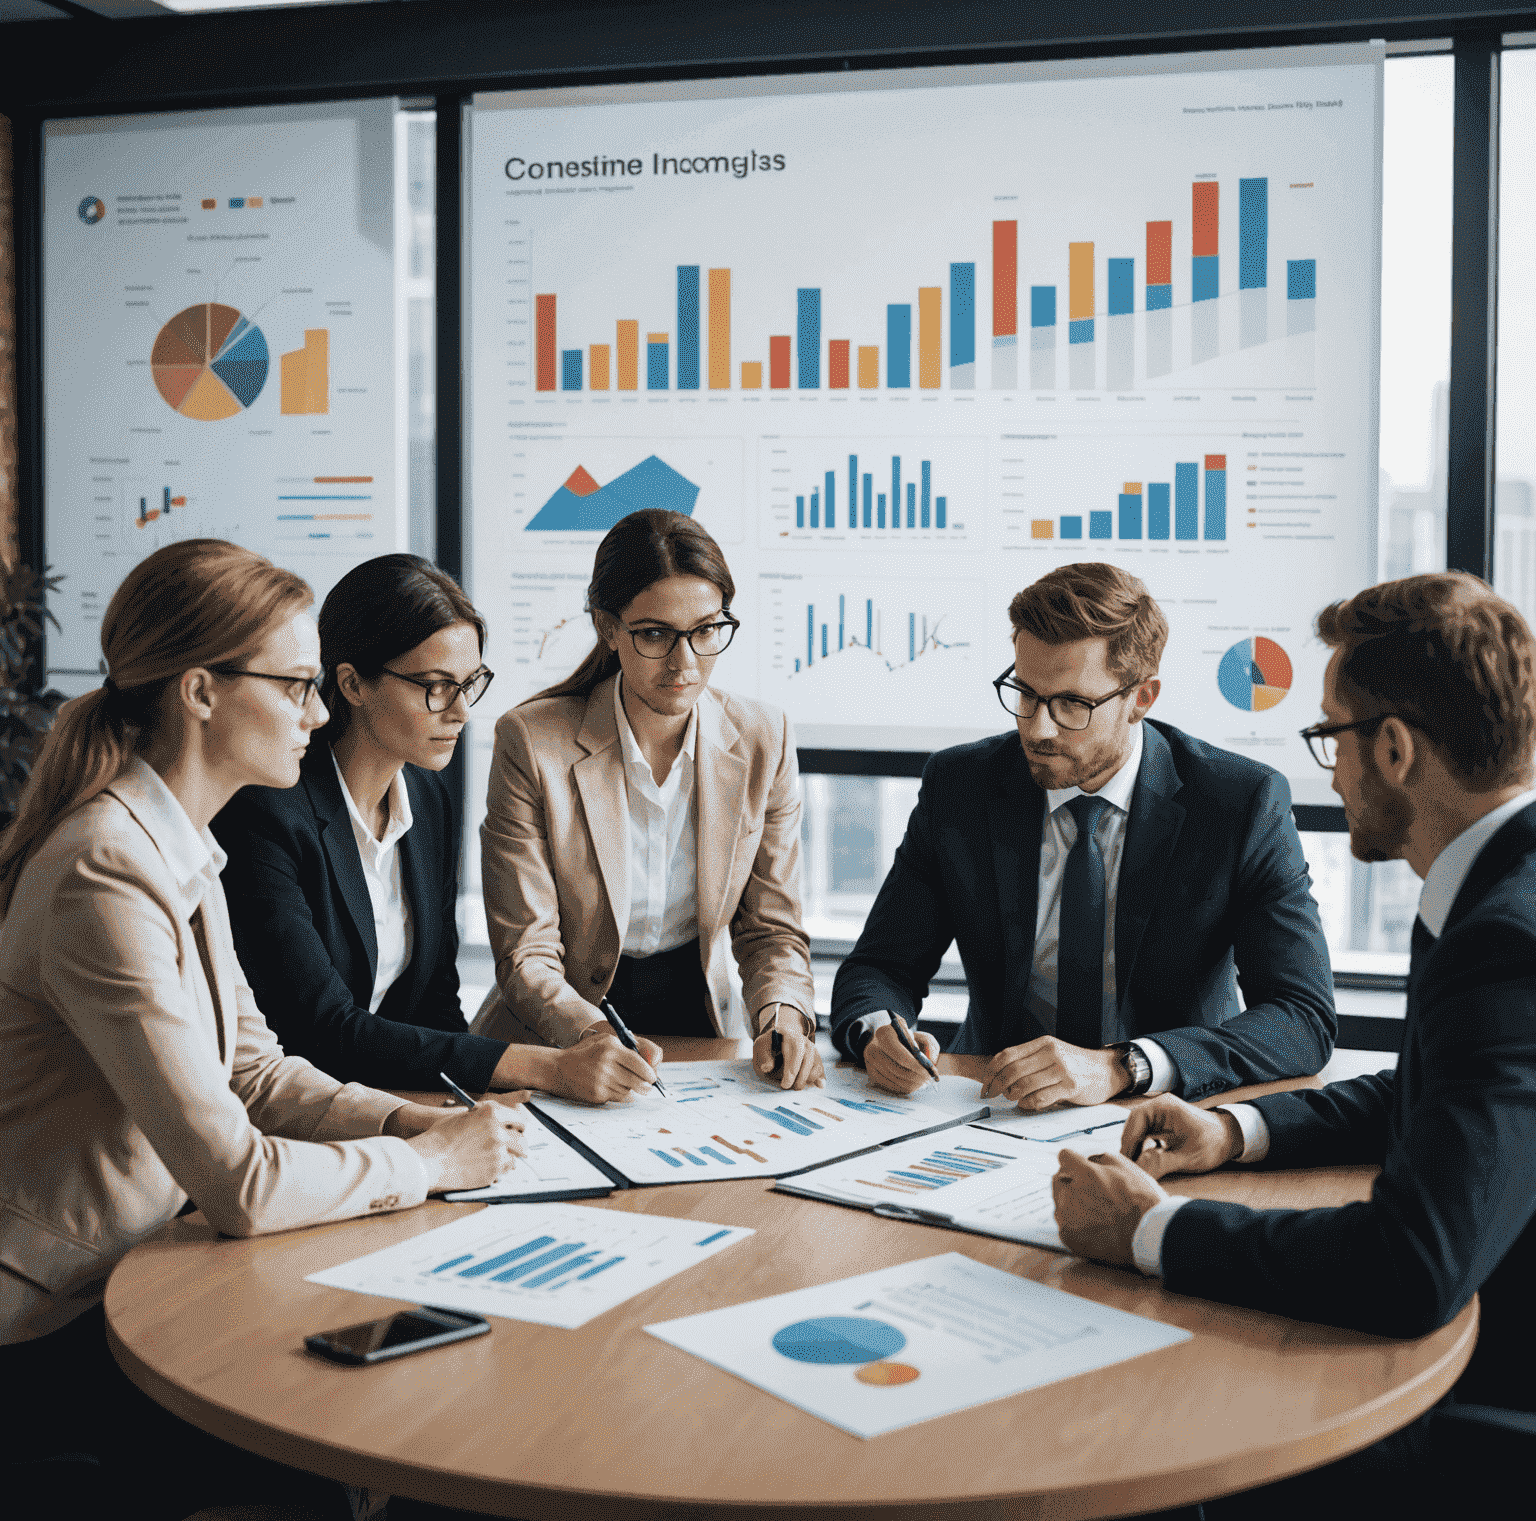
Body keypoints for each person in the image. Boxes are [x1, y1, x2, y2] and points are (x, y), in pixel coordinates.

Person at [0, 539, 523, 1521]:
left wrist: (405, 1126)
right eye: (293, 686)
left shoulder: (179, 843)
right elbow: (241, 1181)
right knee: (377, 1462)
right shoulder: (102, 871)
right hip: (56, 1326)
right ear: (201, 692)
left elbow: (260, 1071)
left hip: (151, 1271)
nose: (319, 712)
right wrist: (431, 1166)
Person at [1052, 572, 1536, 1510]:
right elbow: (1436, 1088)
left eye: (1331, 738)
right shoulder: (1499, 889)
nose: (1334, 771)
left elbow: (1411, 1268)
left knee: (1170, 1433)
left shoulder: (1504, 940)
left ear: (1392, 748)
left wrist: (1148, 1230)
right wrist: (1236, 1134)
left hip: (1489, 1394)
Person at [830, 561, 1335, 1105]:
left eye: (1072, 704)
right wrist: (879, 1033)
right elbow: (880, 967)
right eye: (1025, 693)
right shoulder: (963, 786)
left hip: (1164, 1111)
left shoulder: (1238, 803)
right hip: (991, 1102)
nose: (1037, 727)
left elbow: (1300, 1017)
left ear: (1141, 698)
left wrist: (1124, 1066)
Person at [474, 507, 821, 1098]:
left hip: (705, 1031)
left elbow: (771, 931)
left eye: (707, 631)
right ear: (608, 628)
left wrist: (782, 1016)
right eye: (656, 635)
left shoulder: (765, 738)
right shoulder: (532, 743)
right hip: (557, 1036)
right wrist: (592, 1036)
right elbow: (527, 954)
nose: (686, 664)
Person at [214, 553, 548, 1095]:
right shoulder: (267, 810)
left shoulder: (427, 794)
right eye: (436, 686)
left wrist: (470, 1105)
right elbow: (319, 1030)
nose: (461, 710)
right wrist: (539, 1066)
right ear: (352, 683)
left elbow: (434, 996)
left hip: (391, 1099)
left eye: (471, 683)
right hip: (295, 1117)